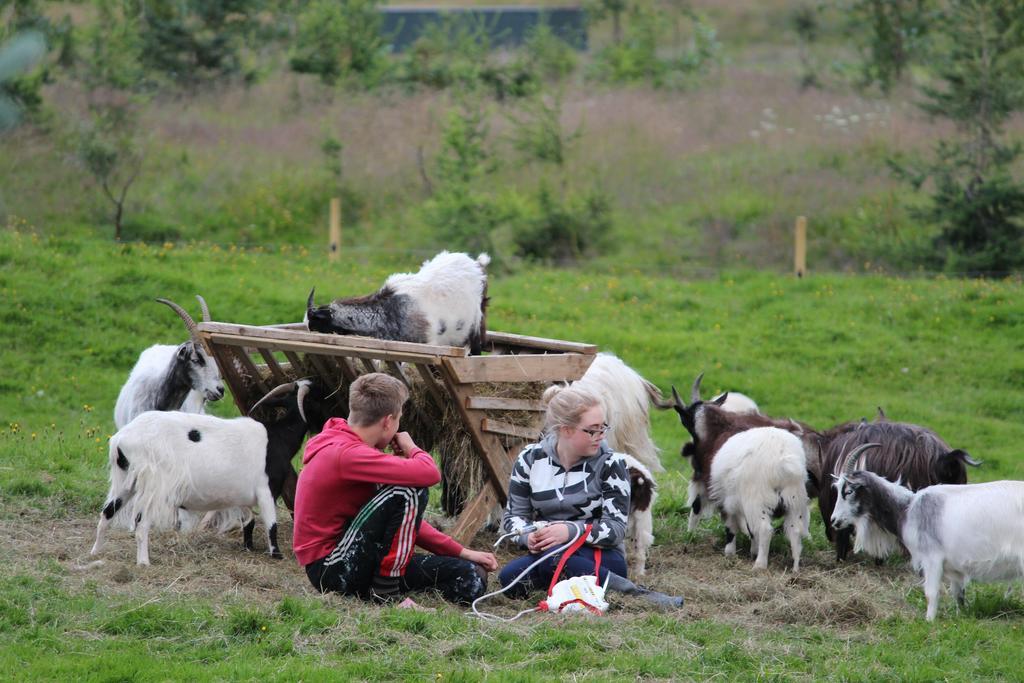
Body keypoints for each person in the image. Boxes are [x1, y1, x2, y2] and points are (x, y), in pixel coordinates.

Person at [293, 372, 498, 606]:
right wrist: (411, 449)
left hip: (358, 558)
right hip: (331, 567)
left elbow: (405, 520)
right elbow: (429, 473)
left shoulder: (353, 448)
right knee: (408, 490)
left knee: (470, 576)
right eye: (400, 418)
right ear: (388, 421)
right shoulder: (347, 454)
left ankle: (382, 585)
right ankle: (387, 593)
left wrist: (463, 552)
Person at [498, 383, 683, 609]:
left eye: (603, 427)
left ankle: (638, 597)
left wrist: (569, 531)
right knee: (509, 579)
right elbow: (513, 517)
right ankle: (576, 590)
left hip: (601, 555)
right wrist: (529, 537)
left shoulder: (611, 464)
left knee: (552, 561)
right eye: (592, 429)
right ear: (566, 429)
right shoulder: (530, 459)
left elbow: (615, 530)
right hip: (549, 554)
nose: (601, 435)